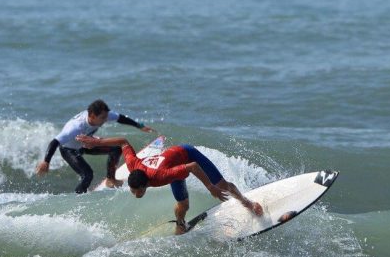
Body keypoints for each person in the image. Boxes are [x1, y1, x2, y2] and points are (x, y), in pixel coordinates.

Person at [76, 134, 264, 234]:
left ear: (145, 185)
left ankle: (246, 202)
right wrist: (97, 141)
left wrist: (210, 187)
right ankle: (180, 224)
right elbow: (124, 141)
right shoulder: (134, 165)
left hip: (187, 154)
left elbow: (192, 166)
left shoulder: (160, 176)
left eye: (136, 192)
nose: (135, 194)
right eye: (133, 191)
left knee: (222, 185)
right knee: (183, 205)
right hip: (172, 165)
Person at [35, 100, 155, 193]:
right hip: (69, 149)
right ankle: (78, 196)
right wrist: (46, 162)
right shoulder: (75, 127)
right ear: (92, 115)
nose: (105, 120)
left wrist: (140, 126)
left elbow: (121, 118)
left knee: (116, 148)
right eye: (102, 118)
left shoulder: (103, 115)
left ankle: (110, 179)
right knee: (87, 175)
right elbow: (55, 142)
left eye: (106, 117)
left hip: (85, 143)